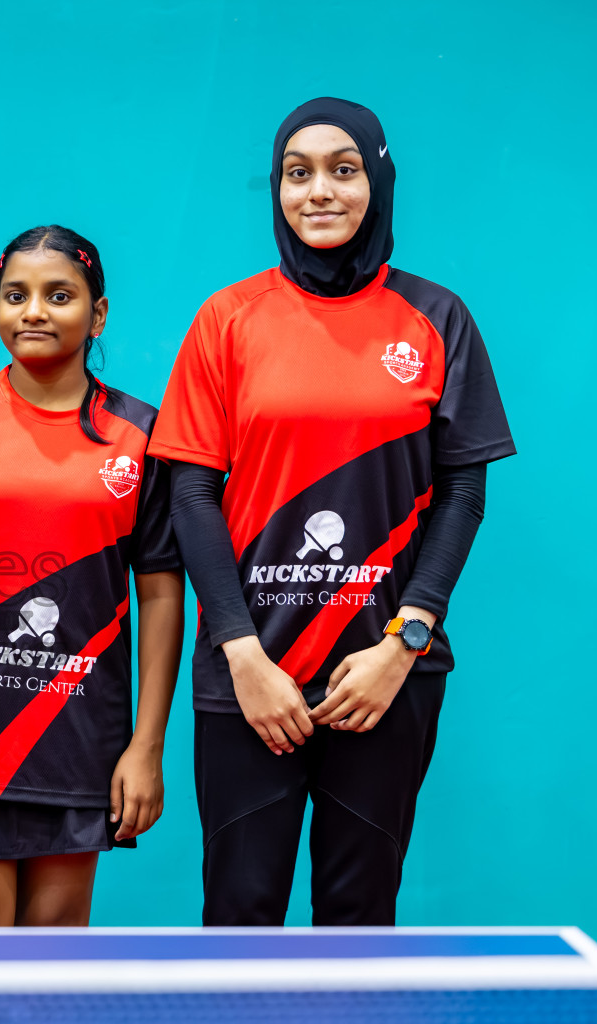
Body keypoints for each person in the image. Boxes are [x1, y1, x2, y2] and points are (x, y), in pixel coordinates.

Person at [148, 97, 516, 925]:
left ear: (377, 181)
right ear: (276, 188)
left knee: (360, 913)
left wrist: (404, 641)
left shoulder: (437, 317)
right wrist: (242, 653)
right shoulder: (226, 319)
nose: (319, 191)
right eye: (297, 172)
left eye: (343, 170)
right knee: (240, 911)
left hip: (384, 677)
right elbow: (192, 494)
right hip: (250, 678)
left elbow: (463, 491)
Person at [0, 226, 184, 926]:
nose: (34, 312)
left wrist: (146, 746)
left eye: (59, 295)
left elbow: (162, 595)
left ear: (98, 314)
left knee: (53, 976)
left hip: (80, 741)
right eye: (16, 296)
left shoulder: (140, 435)